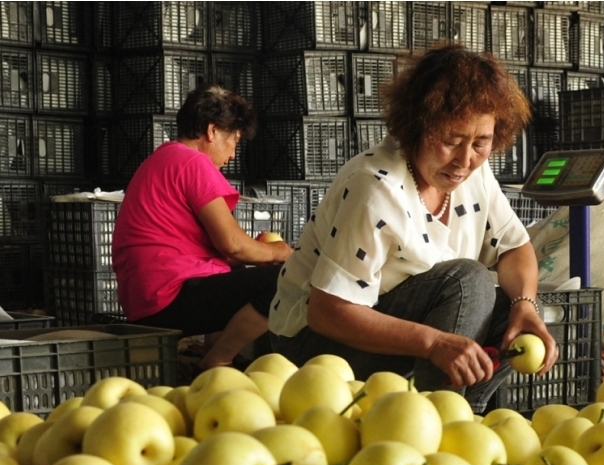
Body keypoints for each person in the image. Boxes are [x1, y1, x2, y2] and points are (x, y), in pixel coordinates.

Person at [268, 44, 558, 413]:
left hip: (401, 325)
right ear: (417, 126)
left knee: (512, 317)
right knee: (466, 281)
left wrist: (526, 305)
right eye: (450, 141)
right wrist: (433, 343)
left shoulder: (474, 175)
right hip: (315, 345)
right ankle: (437, 419)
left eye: (480, 144)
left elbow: (514, 248)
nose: (465, 160)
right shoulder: (375, 188)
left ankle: (465, 415)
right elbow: (327, 312)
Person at [112, 83, 292, 371]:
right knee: (289, 279)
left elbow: (228, 254)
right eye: (234, 140)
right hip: (166, 298)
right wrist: (280, 252)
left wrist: (257, 252)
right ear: (212, 131)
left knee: (232, 267)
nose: (233, 154)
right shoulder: (192, 162)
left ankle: (213, 352)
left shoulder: (164, 157)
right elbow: (232, 245)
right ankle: (217, 360)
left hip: (144, 299)